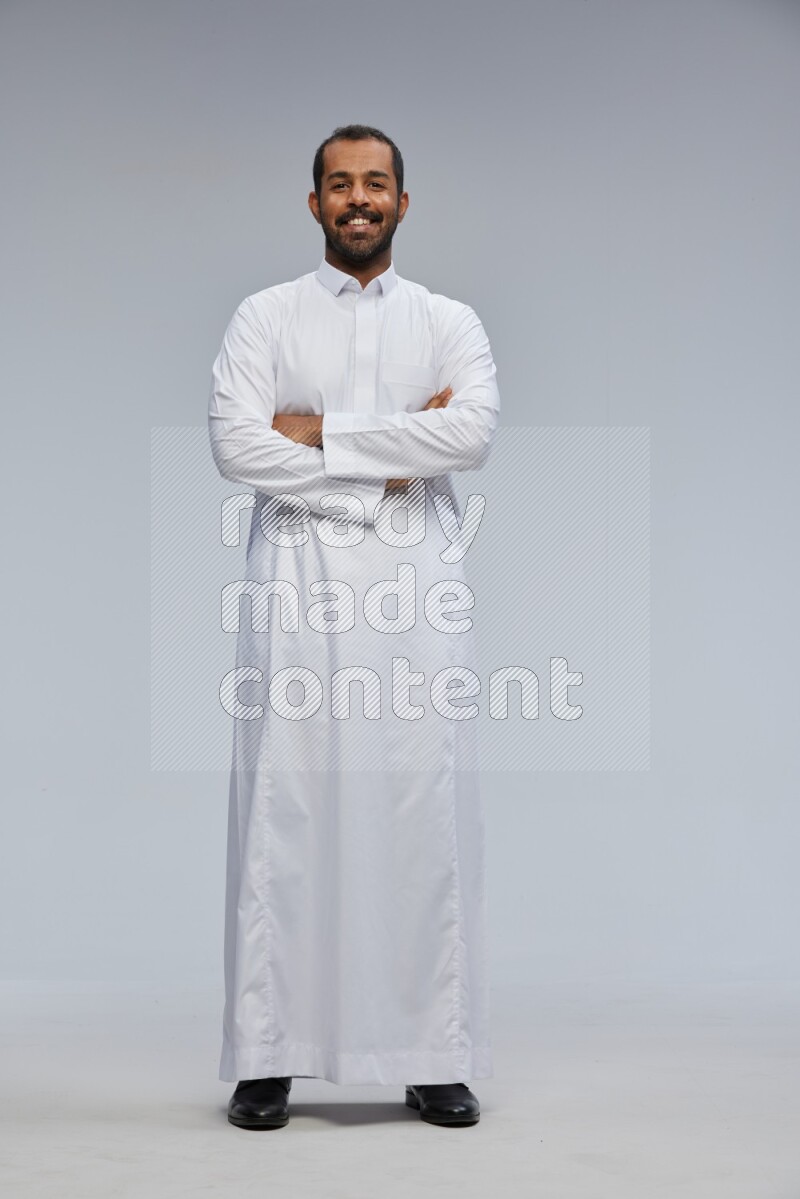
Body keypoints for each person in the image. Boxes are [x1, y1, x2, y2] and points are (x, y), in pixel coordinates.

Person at [208, 124, 500, 1130]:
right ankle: (268, 1054)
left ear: (403, 202)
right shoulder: (266, 315)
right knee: (286, 806)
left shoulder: (448, 320)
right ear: (314, 203)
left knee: (418, 806)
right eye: (340, 184)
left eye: (375, 183)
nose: (358, 198)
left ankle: (431, 1053)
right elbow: (236, 446)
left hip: (415, 593)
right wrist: (386, 466)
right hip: (296, 587)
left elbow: (470, 431)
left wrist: (319, 430)